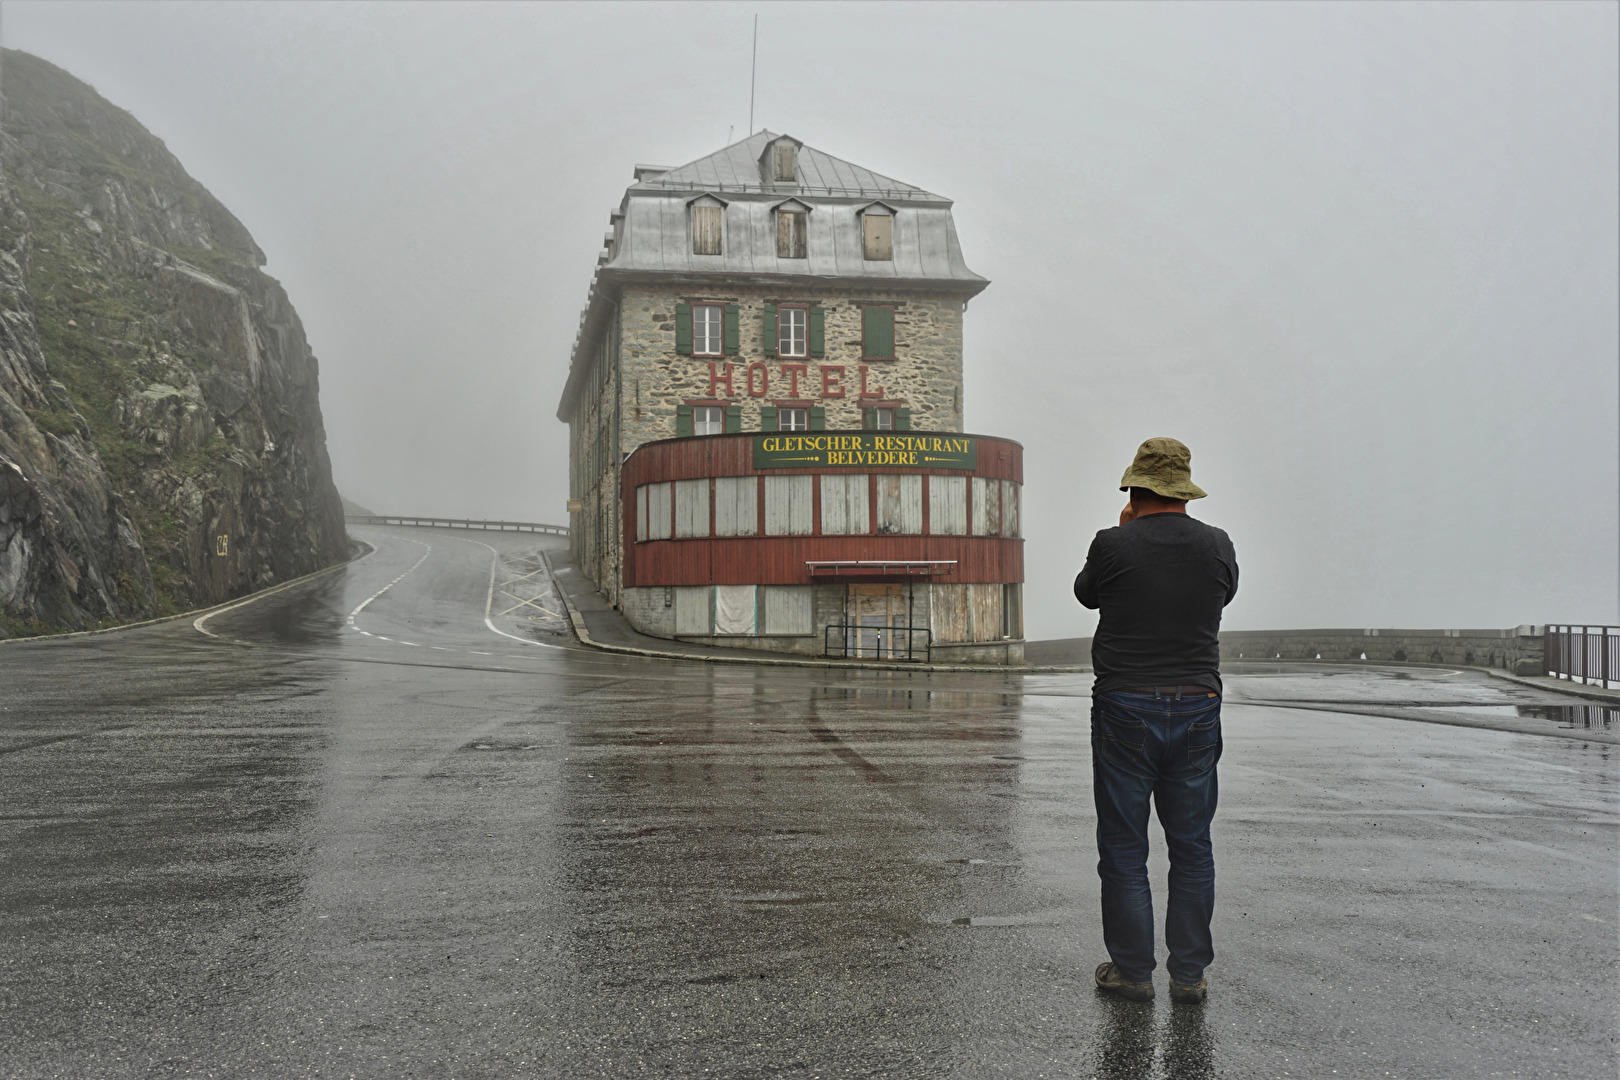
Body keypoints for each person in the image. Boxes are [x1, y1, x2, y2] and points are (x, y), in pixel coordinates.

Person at [1074, 437, 1238, 1005]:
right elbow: (1223, 595)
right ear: (1184, 491)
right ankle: (1188, 975)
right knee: (1192, 846)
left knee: (1124, 847)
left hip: (1126, 704)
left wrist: (1123, 529)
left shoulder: (1112, 543)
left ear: (1135, 489)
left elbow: (1085, 595)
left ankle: (1133, 972)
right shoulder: (1217, 544)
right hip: (1197, 704)